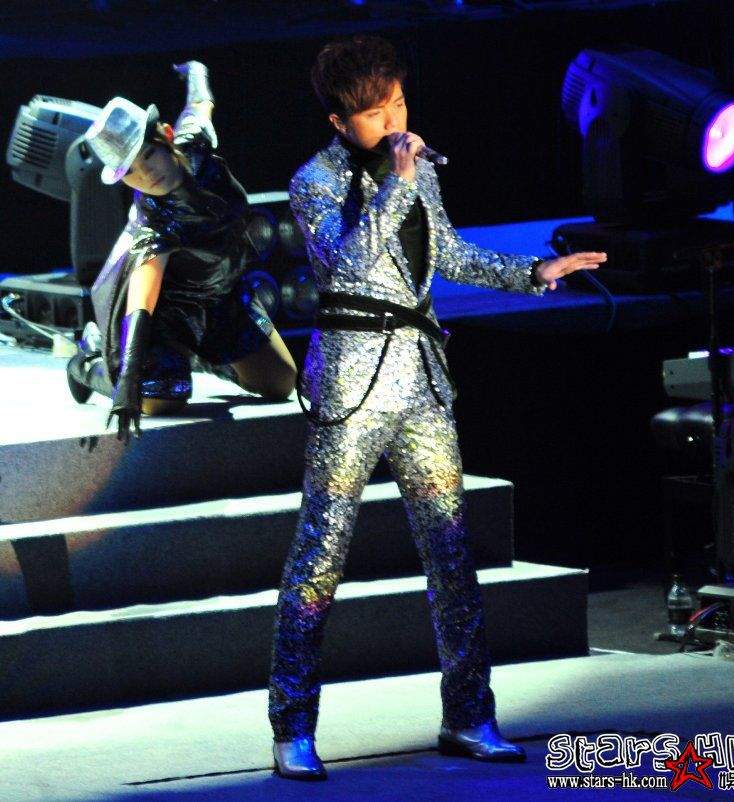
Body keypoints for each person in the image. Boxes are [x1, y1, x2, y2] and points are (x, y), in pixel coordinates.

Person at [267, 35, 606, 780]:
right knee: (321, 555)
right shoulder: (313, 181)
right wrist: (396, 183)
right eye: (375, 112)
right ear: (339, 121)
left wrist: (535, 271)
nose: (394, 121)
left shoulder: (417, 171)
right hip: (351, 386)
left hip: (421, 381)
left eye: (398, 103)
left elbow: (448, 254)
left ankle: (470, 715)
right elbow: (350, 264)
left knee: (451, 552)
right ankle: (292, 725)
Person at [67, 61, 296, 440]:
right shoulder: (153, 221)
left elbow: (200, 104)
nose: (146, 174)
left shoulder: (197, 146)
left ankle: (206, 358)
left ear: (167, 136)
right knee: (161, 400)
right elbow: (142, 299)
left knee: (280, 383)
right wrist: (128, 380)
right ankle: (88, 362)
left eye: (148, 155)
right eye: (131, 171)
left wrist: (195, 71)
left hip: (222, 298)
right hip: (169, 317)